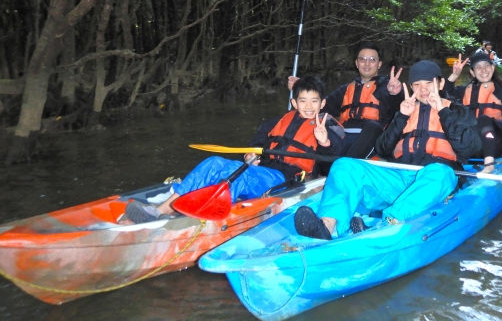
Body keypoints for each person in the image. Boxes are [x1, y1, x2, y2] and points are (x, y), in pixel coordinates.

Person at [293, 60, 481, 240]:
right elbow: (383, 149)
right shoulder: (405, 110)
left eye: (429, 83)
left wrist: (442, 111)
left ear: (440, 84)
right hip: (400, 180)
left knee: (440, 172)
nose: (423, 89)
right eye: (417, 84)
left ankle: (387, 224)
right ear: (411, 87)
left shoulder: (457, 111)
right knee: (344, 165)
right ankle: (328, 226)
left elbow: (470, 148)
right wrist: (401, 117)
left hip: (435, 182)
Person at [124, 76, 344, 223]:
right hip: (263, 169)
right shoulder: (282, 119)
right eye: (303, 101)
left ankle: (197, 217)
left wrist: (324, 141)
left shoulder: (327, 126)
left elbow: (334, 158)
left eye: (314, 101)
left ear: (322, 103)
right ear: (294, 103)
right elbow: (260, 141)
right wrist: (251, 153)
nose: (308, 106)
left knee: (236, 175)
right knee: (213, 163)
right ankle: (164, 209)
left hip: (285, 178)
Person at [288, 41, 403, 160]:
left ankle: (346, 164)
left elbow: (401, 115)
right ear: (357, 63)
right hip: (344, 137)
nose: (367, 63)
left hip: (373, 139)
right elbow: (318, 107)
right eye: (362, 59)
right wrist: (302, 89)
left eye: (372, 59)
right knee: (322, 123)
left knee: (373, 127)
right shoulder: (345, 89)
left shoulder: (389, 87)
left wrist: (395, 94)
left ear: (379, 64)